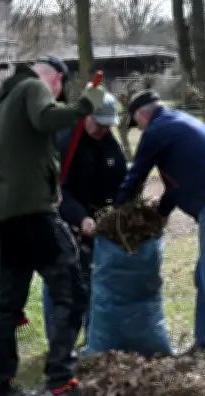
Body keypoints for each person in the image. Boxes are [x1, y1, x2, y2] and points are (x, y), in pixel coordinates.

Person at [0, 55, 109, 396]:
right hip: (33, 214)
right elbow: (47, 118)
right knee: (72, 288)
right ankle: (61, 385)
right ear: (55, 80)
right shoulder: (35, 87)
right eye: (60, 90)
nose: (55, 95)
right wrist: (87, 104)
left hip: (4, 216)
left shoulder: (2, 102)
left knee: (9, 302)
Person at [114, 89, 205, 368]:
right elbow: (177, 186)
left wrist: (117, 211)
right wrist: (159, 216)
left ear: (143, 115)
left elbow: (137, 174)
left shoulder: (156, 130)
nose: (139, 129)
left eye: (137, 123)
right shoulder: (183, 123)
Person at [41, 93, 128, 350]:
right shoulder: (66, 142)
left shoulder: (111, 147)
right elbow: (60, 191)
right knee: (61, 282)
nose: (103, 130)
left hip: (97, 225)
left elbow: (121, 181)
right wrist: (81, 218)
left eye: (107, 126)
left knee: (94, 281)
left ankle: (93, 339)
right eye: (99, 124)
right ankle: (59, 342)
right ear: (87, 116)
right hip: (66, 220)